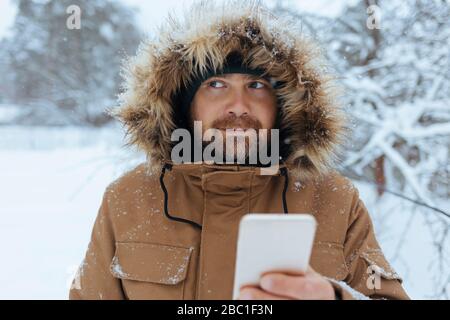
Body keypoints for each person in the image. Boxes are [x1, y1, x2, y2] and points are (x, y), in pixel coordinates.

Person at [69, 0, 409, 300]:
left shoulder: (335, 200)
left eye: (256, 85)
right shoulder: (128, 199)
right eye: (216, 85)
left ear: (284, 105)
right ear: (185, 104)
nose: (238, 105)